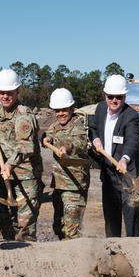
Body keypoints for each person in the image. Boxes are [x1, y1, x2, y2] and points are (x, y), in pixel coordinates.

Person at [0, 68, 42, 241]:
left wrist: (10, 164)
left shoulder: (24, 115)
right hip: (5, 173)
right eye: (2, 93)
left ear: (17, 91)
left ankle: (27, 258)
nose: (5, 97)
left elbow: (25, 146)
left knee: (25, 225)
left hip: (26, 175)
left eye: (9, 93)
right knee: (5, 220)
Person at [89, 74, 139, 237]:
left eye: (118, 97)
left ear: (124, 96)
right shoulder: (99, 109)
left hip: (127, 173)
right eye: (110, 96)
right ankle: (112, 248)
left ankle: (134, 249)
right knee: (111, 217)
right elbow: (93, 128)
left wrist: (125, 158)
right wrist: (96, 139)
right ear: (105, 95)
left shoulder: (132, 116)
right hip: (108, 172)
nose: (114, 100)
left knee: (131, 216)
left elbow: (133, 140)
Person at [43, 88, 90, 240]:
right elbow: (50, 133)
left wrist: (66, 147)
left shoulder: (78, 126)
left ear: (72, 109)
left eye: (64, 110)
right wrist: (47, 139)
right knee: (59, 227)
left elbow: (78, 142)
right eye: (57, 111)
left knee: (72, 230)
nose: (60, 114)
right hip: (59, 184)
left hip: (74, 186)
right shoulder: (56, 125)